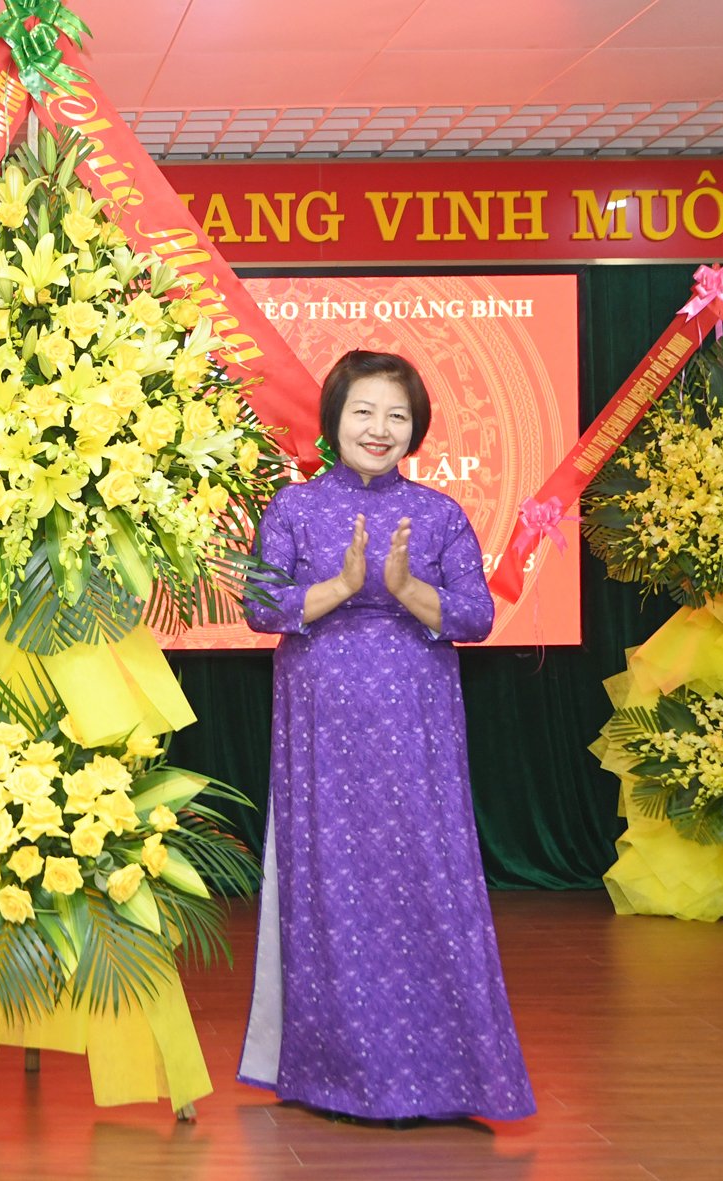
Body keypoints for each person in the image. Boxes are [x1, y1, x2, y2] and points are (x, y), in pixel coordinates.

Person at [236, 349, 534, 1124]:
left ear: (416, 427)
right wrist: (341, 586)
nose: (380, 428)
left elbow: (476, 616)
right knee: (330, 881)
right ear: (335, 418)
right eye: (364, 411)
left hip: (415, 723)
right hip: (322, 725)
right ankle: (336, 1074)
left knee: (426, 874)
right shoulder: (294, 507)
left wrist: (405, 588)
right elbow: (261, 608)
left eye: (397, 415)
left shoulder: (438, 512)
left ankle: (450, 1076)